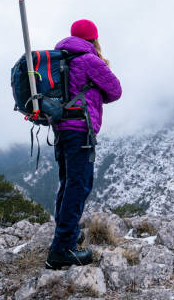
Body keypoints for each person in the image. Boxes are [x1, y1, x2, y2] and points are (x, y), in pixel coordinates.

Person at [45, 19, 122, 270]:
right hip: (80, 130)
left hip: (61, 130)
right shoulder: (89, 60)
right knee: (79, 185)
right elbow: (115, 90)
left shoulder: (60, 60)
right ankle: (61, 250)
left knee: (68, 183)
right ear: (94, 38)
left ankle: (67, 235)